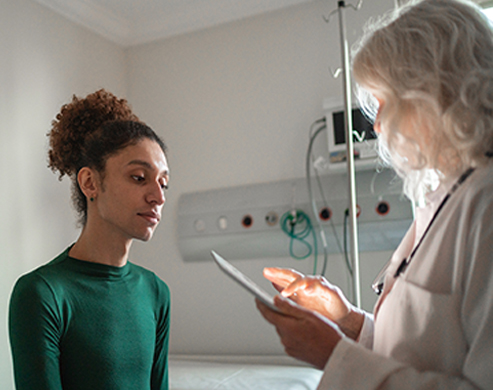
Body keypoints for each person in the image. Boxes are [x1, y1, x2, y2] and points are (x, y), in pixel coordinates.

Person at [256, 0, 493, 388]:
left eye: (384, 102)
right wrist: (348, 320)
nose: (379, 125)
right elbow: (416, 349)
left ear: (435, 92)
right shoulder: (447, 197)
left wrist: (335, 356)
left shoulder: (486, 202)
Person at [8, 89, 171, 390]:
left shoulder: (156, 293)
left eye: (164, 183)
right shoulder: (41, 294)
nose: (158, 197)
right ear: (90, 182)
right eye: (139, 177)